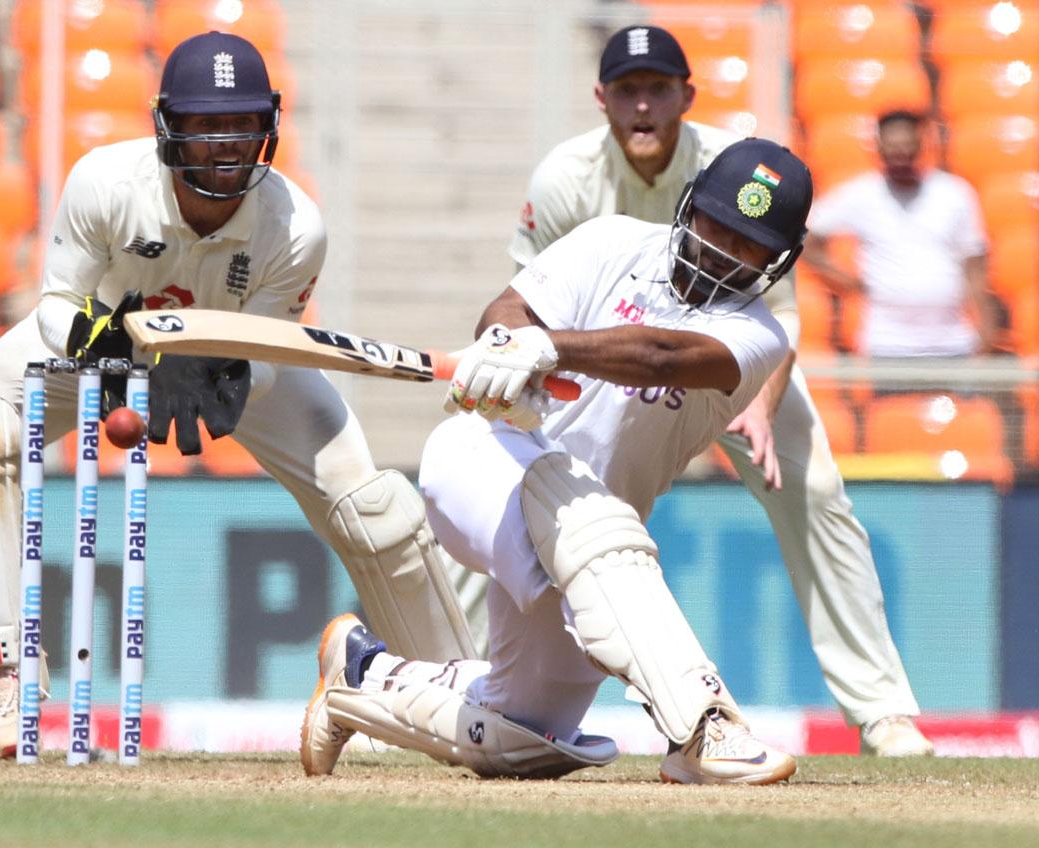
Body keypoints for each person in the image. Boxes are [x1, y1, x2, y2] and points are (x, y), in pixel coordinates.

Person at [0, 31, 475, 758]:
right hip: (101, 344)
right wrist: (125, 349)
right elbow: (57, 304)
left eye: (242, 125)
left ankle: (461, 702)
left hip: (233, 356)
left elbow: (271, 350)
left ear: (267, 129)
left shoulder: (295, 226)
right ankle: (4, 679)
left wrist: (217, 364)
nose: (225, 145)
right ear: (168, 126)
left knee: (378, 510)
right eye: (206, 126)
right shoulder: (105, 184)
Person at [471, 24, 929, 757]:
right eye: (628, 90)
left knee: (811, 493)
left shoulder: (735, 166)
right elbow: (524, 299)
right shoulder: (565, 178)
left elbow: (776, 317)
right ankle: (460, 679)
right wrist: (511, 363)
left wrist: (756, 401)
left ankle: (883, 713)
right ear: (603, 99)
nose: (644, 106)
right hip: (600, 350)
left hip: (727, 355)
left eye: (659, 89)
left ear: (688, 95)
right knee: (508, 483)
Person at [302, 138, 811, 784]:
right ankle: (706, 728)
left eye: (748, 245)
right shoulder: (610, 242)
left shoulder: (759, 337)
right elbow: (509, 310)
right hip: (484, 461)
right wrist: (503, 346)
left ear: (777, 260)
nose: (721, 251)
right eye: (717, 225)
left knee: (523, 736)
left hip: (595, 552)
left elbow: (661, 354)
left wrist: (548, 349)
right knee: (573, 498)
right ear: (690, 206)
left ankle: (361, 675)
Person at [801, 109, 998, 357]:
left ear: (922, 143)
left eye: (907, 146)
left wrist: (987, 334)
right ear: (879, 146)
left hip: (953, 342)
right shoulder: (861, 194)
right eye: (894, 147)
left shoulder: (955, 193)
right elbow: (806, 239)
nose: (901, 155)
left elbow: (975, 269)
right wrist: (847, 282)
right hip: (888, 344)